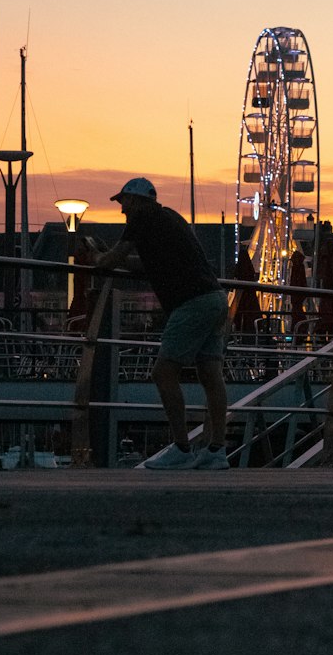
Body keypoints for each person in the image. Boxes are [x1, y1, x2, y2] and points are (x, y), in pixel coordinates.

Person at [91, 177, 229, 469]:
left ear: (136, 200)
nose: (121, 210)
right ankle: (216, 451)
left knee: (163, 373)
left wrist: (98, 257)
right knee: (210, 374)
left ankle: (181, 448)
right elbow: (148, 263)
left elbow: (113, 257)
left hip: (190, 302)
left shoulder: (142, 217)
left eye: (123, 202)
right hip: (215, 297)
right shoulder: (170, 218)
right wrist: (117, 261)